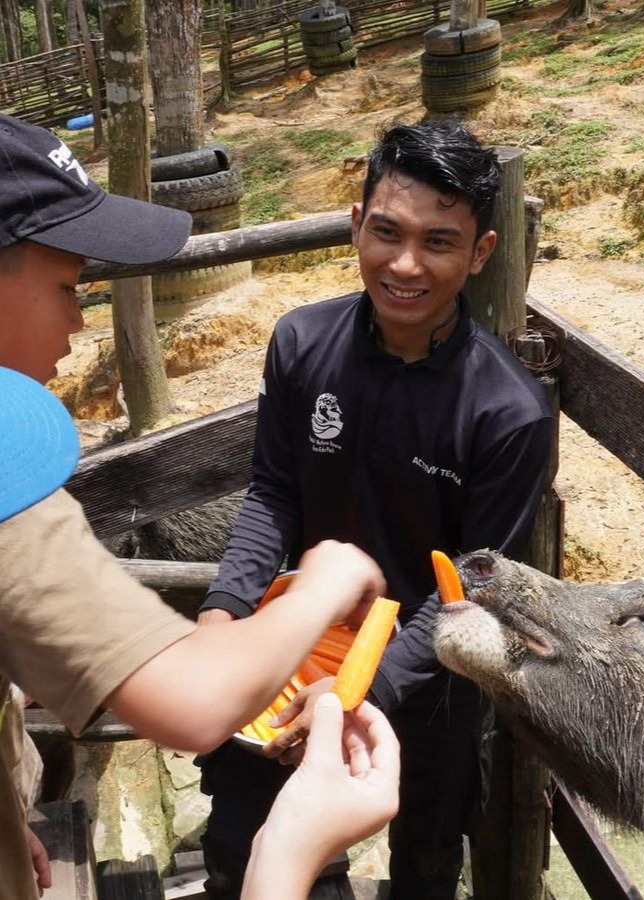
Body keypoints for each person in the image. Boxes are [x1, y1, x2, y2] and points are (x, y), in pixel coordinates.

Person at [0, 112, 399, 900]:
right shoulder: (11, 489)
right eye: (67, 286)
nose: (79, 325)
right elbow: (192, 700)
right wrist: (326, 579)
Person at [197, 119, 556, 899]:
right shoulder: (300, 342)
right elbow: (274, 493)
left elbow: (472, 581)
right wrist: (225, 613)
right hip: (297, 649)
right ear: (357, 224)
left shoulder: (509, 412)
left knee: (426, 863)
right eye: (387, 232)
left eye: (439, 241)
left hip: (427, 679)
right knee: (239, 844)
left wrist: (368, 688)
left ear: (481, 253)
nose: (405, 264)